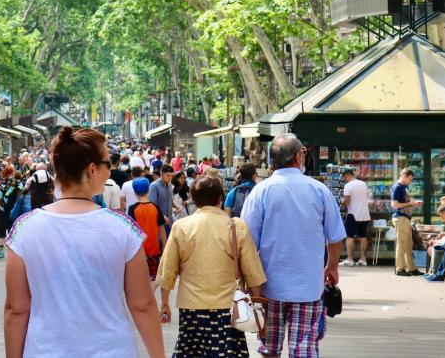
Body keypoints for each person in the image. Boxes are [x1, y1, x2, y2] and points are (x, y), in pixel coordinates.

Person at [3, 126, 166, 358]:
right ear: (92, 169)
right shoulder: (123, 229)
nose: (110, 171)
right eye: (108, 164)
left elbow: (16, 309)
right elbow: (142, 305)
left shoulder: (24, 229)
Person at [241, 133, 346, 358]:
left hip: (269, 287)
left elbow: (247, 242)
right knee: (304, 350)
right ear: (298, 157)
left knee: (270, 349)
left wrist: (250, 282)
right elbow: (335, 236)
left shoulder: (261, 191)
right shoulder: (319, 190)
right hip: (308, 287)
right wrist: (332, 267)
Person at [158, 174, 267, 358]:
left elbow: (167, 270)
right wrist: (257, 304)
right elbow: (253, 272)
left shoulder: (181, 226)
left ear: (193, 198)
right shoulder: (236, 226)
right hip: (228, 307)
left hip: (191, 308)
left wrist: (165, 303)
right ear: (220, 197)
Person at [127, 177, 166, 282]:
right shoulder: (155, 207)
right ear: (148, 190)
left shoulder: (132, 209)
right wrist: (165, 246)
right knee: (154, 279)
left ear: (135, 192)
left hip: (139, 250)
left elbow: (131, 231)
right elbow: (162, 229)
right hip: (154, 249)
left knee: (140, 279)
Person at [390, 168, 423, 276]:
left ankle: (411, 268)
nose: (410, 181)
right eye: (409, 179)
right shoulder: (397, 187)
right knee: (402, 243)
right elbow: (394, 205)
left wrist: (413, 202)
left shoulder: (404, 187)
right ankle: (400, 269)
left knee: (409, 244)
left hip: (405, 218)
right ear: (404, 176)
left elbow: (405, 200)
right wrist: (411, 204)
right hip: (400, 217)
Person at [0, 166, 22, 261]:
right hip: (15, 211)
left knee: (0, 230)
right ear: (13, 173)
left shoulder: (2, 184)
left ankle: (0, 252)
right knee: (14, 231)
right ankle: (14, 253)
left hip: (2, 211)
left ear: (4, 174)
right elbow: (22, 196)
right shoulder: (19, 183)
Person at [340, 167, 371, 266]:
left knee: (349, 237)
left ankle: (350, 259)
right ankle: (363, 259)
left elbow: (347, 201)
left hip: (353, 214)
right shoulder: (363, 184)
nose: (344, 179)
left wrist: (342, 202)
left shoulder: (348, 186)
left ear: (347, 176)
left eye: (344, 177)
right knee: (363, 237)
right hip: (364, 214)